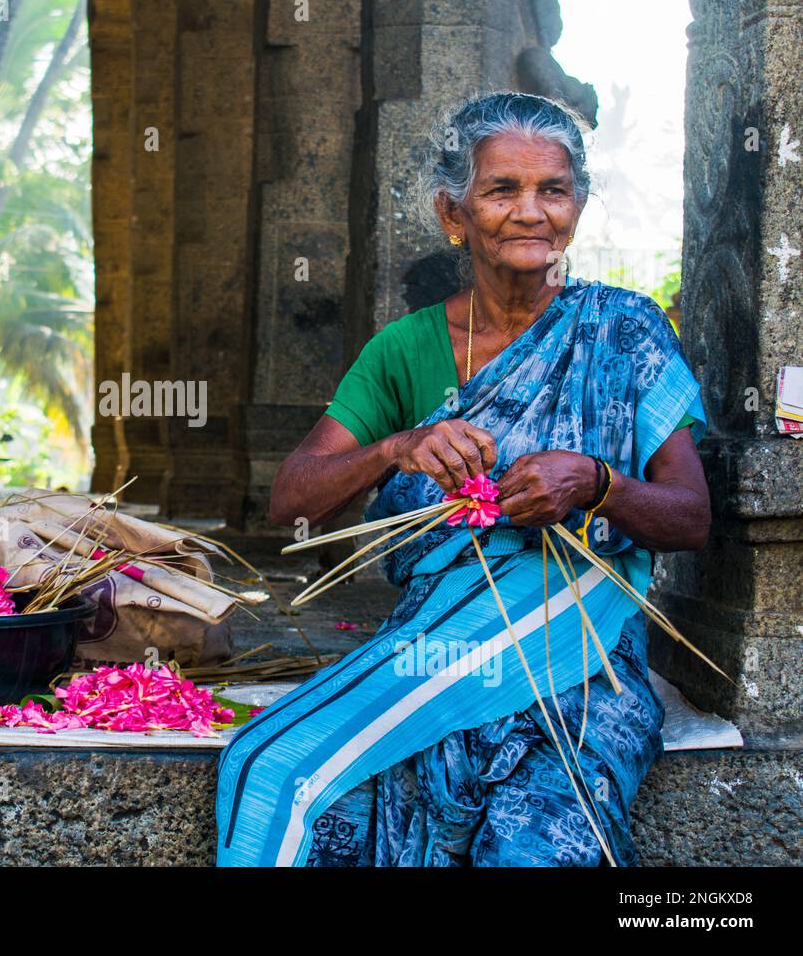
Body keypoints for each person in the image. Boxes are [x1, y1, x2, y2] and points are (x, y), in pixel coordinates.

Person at [216, 92, 709, 867]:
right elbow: (292, 499)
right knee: (275, 771)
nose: (531, 212)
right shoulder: (407, 350)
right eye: (501, 189)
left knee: (536, 847)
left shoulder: (624, 330)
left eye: (553, 189)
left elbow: (690, 517)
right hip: (432, 659)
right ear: (455, 213)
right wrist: (395, 449)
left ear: (576, 205)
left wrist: (597, 482)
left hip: (585, 671)